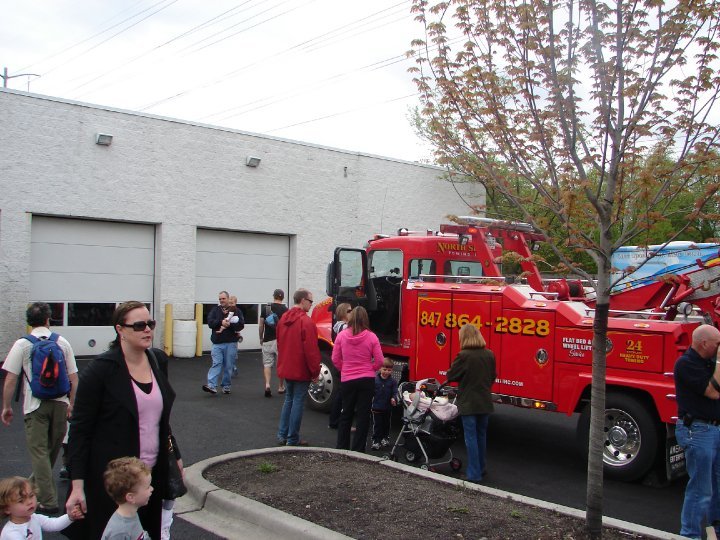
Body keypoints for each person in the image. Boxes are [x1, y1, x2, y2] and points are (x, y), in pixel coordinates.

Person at [64, 301, 182, 540]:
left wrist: (175, 456)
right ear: (120, 330)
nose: (147, 329)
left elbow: (160, 420)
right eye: (139, 325)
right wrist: (77, 485)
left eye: (150, 323)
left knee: (147, 532)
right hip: (114, 482)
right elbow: (79, 431)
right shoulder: (101, 371)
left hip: (149, 478)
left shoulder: (158, 361)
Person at [1, 302, 79, 515]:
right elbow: (74, 377)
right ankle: (33, 486)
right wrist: (72, 403)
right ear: (48, 319)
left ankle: (48, 500)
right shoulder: (62, 342)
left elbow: (10, 379)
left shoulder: (22, 344)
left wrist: (7, 406)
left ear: (29, 322)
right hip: (61, 403)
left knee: (39, 452)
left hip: (35, 405)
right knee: (49, 451)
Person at [673, 324, 720, 539]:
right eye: (717, 344)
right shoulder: (686, 364)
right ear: (704, 344)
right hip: (698, 431)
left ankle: (714, 530)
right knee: (701, 489)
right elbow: (713, 392)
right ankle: (690, 534)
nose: (718, 347)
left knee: (717, 486)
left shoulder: (708, 362)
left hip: (714, 428)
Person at [446, 323, 496, 484]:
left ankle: (474, 474)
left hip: (468, 401)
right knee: (481, 436)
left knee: (471, 438)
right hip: (485, 401)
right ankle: (481, 467)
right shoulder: (489, 354)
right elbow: (493, 376)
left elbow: (451, 375)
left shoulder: (464, 355)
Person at [332, 306, 384, 453]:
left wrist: (345, 369)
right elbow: (380, 361)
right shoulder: (371, 336)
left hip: (348, 379)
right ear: (365, 319)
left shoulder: (342, 336)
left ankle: (342, 447)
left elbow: (335, 358)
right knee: (363, 415)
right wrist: (370, 368)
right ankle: (358, 449)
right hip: (366, 379)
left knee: (346, 413)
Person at [276, 288, 321, 446]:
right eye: (310, 301)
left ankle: (283, 434)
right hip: (300, 368)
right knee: (297, 402)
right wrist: (315, 372)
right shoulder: (306, 322)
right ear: (303, 300)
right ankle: (292, 438)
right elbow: (311, 351)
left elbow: (280, 344)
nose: (311, 305)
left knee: (289, 399)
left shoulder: (283, 319)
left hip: (287, 367)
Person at [0, 476, 81, 539]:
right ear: (7, 508)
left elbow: (53, 524)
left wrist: (70, 517)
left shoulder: (34, 518)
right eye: (21, 500)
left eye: (31, 496)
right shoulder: (12, 534)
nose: (29, 502)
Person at [100, 457, 153, 540]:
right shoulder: (119, 532)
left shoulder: (131, 514)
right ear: (131, 497)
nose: (152, 489)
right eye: (148, 487)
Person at [203, 291, 244, 395]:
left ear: (228, 298)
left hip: (231, 343)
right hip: (217, 343)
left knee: (228, 365)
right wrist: (221, 322)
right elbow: (210, 323)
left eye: (223, 298)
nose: (221, 300)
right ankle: (211, 386)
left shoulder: (236, 311)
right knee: (216, 363)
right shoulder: (215, 310)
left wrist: (229, 324)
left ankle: (226, 386)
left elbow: (241, 325)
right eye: (220, 299)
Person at [258, 289, 289, 398]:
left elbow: (261, 325)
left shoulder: (266, 308)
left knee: (267, 364)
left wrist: (261, 338)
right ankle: (281, 387)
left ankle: (267, 385)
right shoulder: (286, 310)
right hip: (280, 341)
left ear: (273, 296)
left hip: (267, 340)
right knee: (280, 364)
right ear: (283, 297)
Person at [328, 303, 352, 429]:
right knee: (342, 395)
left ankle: (334, 420)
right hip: (344, 364)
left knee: (340, 393)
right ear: (343, 313)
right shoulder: (345, 328)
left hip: (340, 364)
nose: (352, 312)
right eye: (349, 310)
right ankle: (336, 421)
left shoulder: (338, 327)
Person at [370, 358, 398, 451]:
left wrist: (394, 398)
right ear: (380, 369)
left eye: (389, 370)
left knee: (386, 424)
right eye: (384, 369)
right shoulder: (375, 380)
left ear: (392, 370)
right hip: (376, 407)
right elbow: (371, 392)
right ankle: (376, 441)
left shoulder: (393, 382)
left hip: (387, 407)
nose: (386, 372)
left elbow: (395, 392)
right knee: (377, 425)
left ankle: (385, 438)